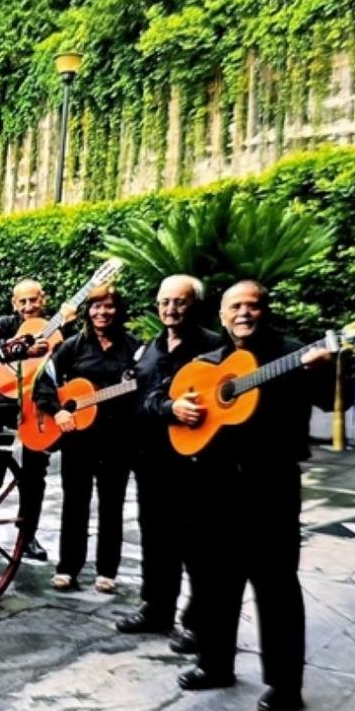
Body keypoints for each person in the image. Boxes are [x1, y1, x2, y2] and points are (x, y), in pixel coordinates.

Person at [174, 281, 332, 711]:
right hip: (214, 485)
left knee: (276, 585)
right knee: (213, 581)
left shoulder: (294, 354)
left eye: (253, 305)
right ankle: (215, 664)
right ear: (222, 316)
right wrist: (176, 409)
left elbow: (326, 400)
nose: (244, 313)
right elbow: (171, 400)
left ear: (266, 311)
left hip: (269, 486)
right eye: (235, 307)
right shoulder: (208, 362)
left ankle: (285, 685)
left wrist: (320, 370)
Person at [116, 275, 222, 651]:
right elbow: (139, 396)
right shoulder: (150, 348)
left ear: (195, 305)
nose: (170, 309)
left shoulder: (215, 347)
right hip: (151, 459)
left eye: (179, 302)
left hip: (195, 461)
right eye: (164, 302)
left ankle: (198, 623)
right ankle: (156, 609)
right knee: (155, 538)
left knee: (198, 545)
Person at [34, 285, 140, 594]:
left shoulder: (134, 349)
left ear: (118, 310)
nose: (101, 312)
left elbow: (145, 388)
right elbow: (45, 379)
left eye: (108, 306)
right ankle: (68, 567)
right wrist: (57, 412)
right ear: (87, 311)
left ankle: (107, 570)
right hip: (78, 438)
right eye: (95, 307)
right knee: (75, 503)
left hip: (116, 438)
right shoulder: (73, 347)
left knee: (112, 504)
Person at [0, 278, 77, 561]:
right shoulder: (7, 324)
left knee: (35, 470)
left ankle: (27, 536)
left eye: (33, 300)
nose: (28, 307)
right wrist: (16, 347)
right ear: (14, 303)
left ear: (43, 299)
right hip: (10, 393)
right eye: (22, 301)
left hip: (41, 399)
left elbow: (71, 352)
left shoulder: (58, 324)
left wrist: (66, 326)